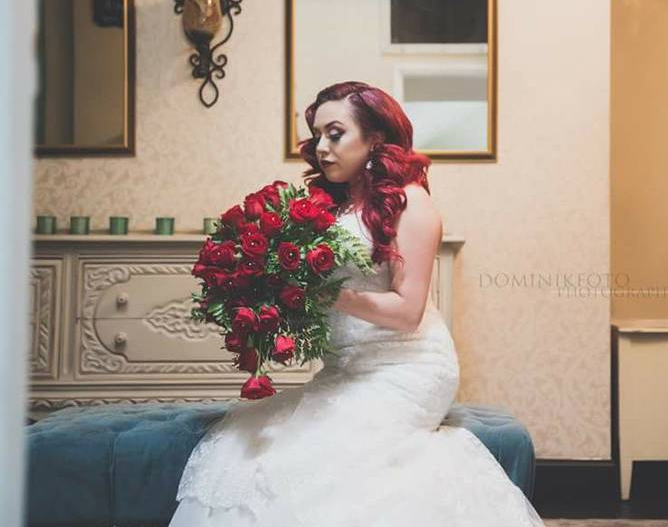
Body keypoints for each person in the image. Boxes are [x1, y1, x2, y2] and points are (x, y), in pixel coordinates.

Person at [169, 82, 544, 526]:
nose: (321, 147)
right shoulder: (335, 206)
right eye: (317, 135)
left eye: (335, 133)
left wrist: (321, 292)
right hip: (345, 368)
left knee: (315, 460)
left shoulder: (413, 206)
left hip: (406, 369)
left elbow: (407, 312)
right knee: (248, 450)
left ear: (375, 140)